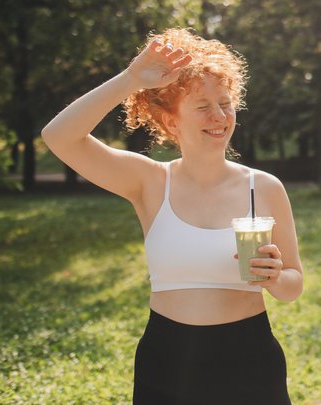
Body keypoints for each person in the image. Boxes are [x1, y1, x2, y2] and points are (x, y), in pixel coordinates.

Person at [42, 29, 303, 404]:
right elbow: (58, 136)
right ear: (171, 123)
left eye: (225, 103)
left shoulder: (263, 188)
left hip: (249, 359)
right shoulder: (149, 182)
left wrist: (277, 278)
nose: (219, 116)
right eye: (202, 106)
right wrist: (130, 79)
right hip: (166, 361)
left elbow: (294, 284)